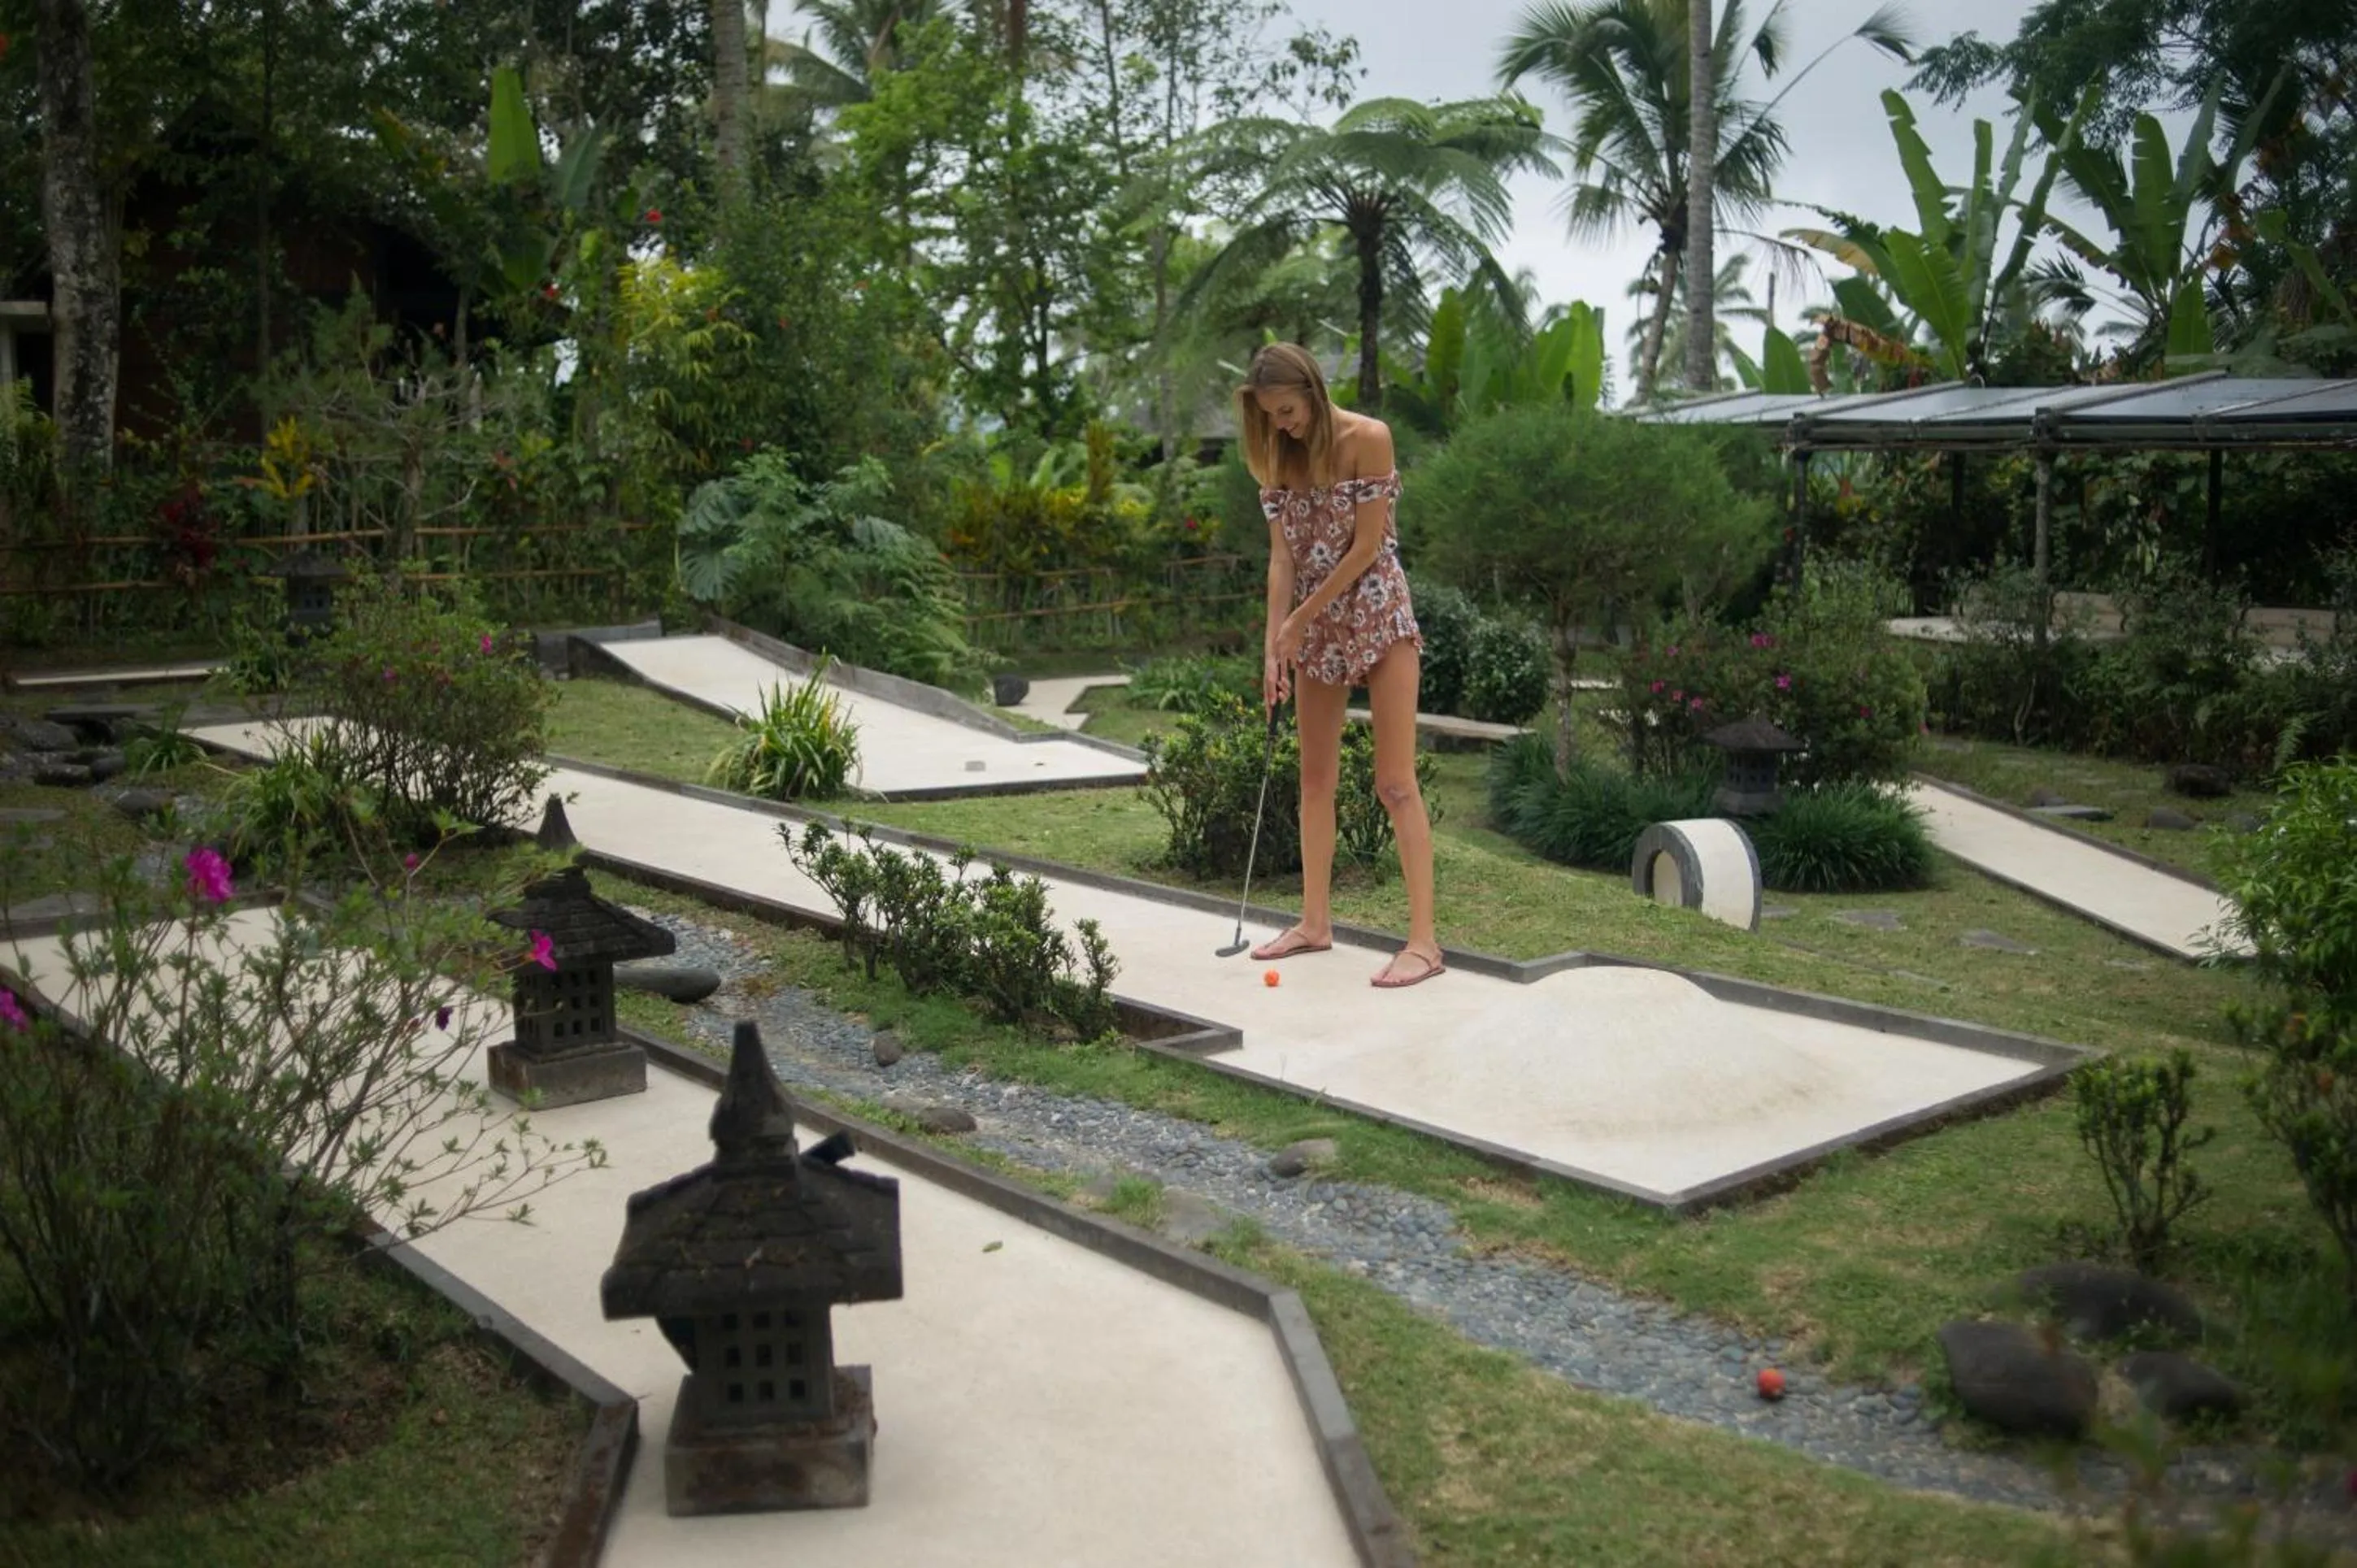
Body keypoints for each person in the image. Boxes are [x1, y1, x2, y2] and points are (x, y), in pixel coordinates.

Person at [1235, 343, 1444, 988]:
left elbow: (1364, 548)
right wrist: (1276, 641)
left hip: (1377, 610)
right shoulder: (1277, 454)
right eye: (1270, 414)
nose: (1281, 424)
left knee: (1394, 782)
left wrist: (1299, 620)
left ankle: (1424, 944)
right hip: (1313, 625)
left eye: (1288, 409)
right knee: (1314, 781)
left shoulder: (1368, 439)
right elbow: (1282, 560)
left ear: (1314, 391)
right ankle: (1314, 923)